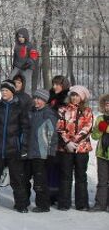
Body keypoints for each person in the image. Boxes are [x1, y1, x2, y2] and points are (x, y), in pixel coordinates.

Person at [0, 80, 30, 213]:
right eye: (2, 90)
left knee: (17, 181)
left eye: (6, 90)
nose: (3, 93)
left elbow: (25, 130)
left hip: (14, 150)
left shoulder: (20, 109)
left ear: (12, 92)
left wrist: (24, 148)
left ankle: (21, 205)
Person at [56, 85, 93, 211]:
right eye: (73, 95)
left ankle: (81, 204)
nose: (74, 98)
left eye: (77, 95)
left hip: (82, 148)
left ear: (82, 97)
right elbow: (59, 127)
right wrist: (67, 143)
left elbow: (87, 128)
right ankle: (64, 203)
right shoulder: (62, 109)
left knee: (81, 176)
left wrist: (75, 142)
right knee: (65, 176)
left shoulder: (87, 111)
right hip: (65, 149)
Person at [27, 89, 58, 212]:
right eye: (35, 98)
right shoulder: (32, 112)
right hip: (31, 152)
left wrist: (50, 153)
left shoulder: (48, 114)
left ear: (45, 101)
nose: (36, 101)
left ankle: (43, 205)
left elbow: (53, 135)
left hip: (42, 153)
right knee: (27, 179)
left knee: (40, 181)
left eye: (39, 99)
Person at [47, 75, 70, 203]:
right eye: (53, 84)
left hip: (61, 137)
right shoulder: (50, 97)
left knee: (59, 167)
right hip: (50, 135)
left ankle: (58, 194)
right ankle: (50, 193)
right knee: (50, 166)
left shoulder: (66, 98)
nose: (55, 87)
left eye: (58, 84)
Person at [91, 94, 109, 212]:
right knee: (102, 181)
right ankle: (100, 204)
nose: (108, 107)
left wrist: (107, 129)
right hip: (102, 154)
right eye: (107, 104)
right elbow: (94, 136)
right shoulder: (100, 118)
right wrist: (98, 129)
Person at [9, 28, 39, 93]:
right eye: (19, 37)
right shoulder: (17, 45)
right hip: (18, 66)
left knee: (26, 82)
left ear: (25, 37)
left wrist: (28, 63)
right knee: (11, 78)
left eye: (22, 37)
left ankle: (27, 96)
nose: (20, 38)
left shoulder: (30, 45)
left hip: (27, 67)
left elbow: (33, 56)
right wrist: (14, 65)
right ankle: (12, 93)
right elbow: (15, 56)